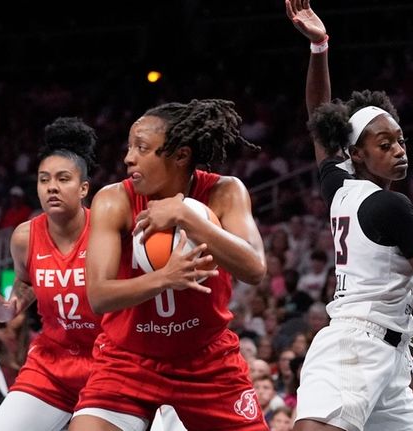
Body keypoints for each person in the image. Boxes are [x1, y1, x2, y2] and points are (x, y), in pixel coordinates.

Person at [286, 1, 413, 430]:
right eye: (385, 145)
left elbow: (318, 118)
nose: (399, 150)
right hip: (357, 345)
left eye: (400, 140)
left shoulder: (339, 188)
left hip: (392, 359)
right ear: (357, 154)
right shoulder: (391, 206)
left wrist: (320, 48)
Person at [69, 99, 268, 431]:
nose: (128, 157)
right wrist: (165, 278)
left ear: (180, 155)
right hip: (128, 359)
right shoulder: (113, 199)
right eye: (130, 146)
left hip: (205, 360)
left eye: (142, 148)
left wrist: (187, 216)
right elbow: (99, 295)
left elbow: (255, 268)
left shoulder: (225, 191)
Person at [0, 117, 102, 430]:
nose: (52, 186)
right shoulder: (24, 236)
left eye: (63, 179)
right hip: (50, 364)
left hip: (107, 363)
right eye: (44, 179)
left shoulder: (106, 231)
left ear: (84, 188)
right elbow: (25, 282)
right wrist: (9, 308)